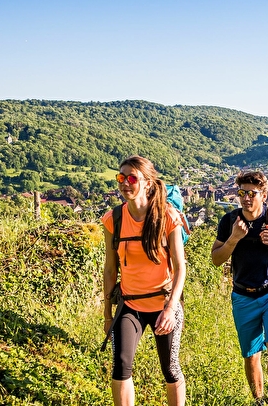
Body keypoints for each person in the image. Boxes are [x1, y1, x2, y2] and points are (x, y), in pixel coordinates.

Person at [102, 156, 187, 406]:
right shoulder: (113, 219)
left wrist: (171, 309)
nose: (125, 183)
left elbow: (181, 268)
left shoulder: (167, 217)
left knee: (170, 369)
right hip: (130, 305)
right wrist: (108, 315)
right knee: (120, 366)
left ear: (148, 183)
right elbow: (110, 270)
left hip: (163, 304)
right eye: (121, 178)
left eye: (131, 178)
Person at [210, 171, 268, 403]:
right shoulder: (229, 221)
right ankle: (259, 400)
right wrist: (233, 238)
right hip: (243, 295)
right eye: (242, 193)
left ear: (264, 195)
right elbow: (216, 259)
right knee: (251, 355)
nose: (246, 198)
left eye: (252, 193)